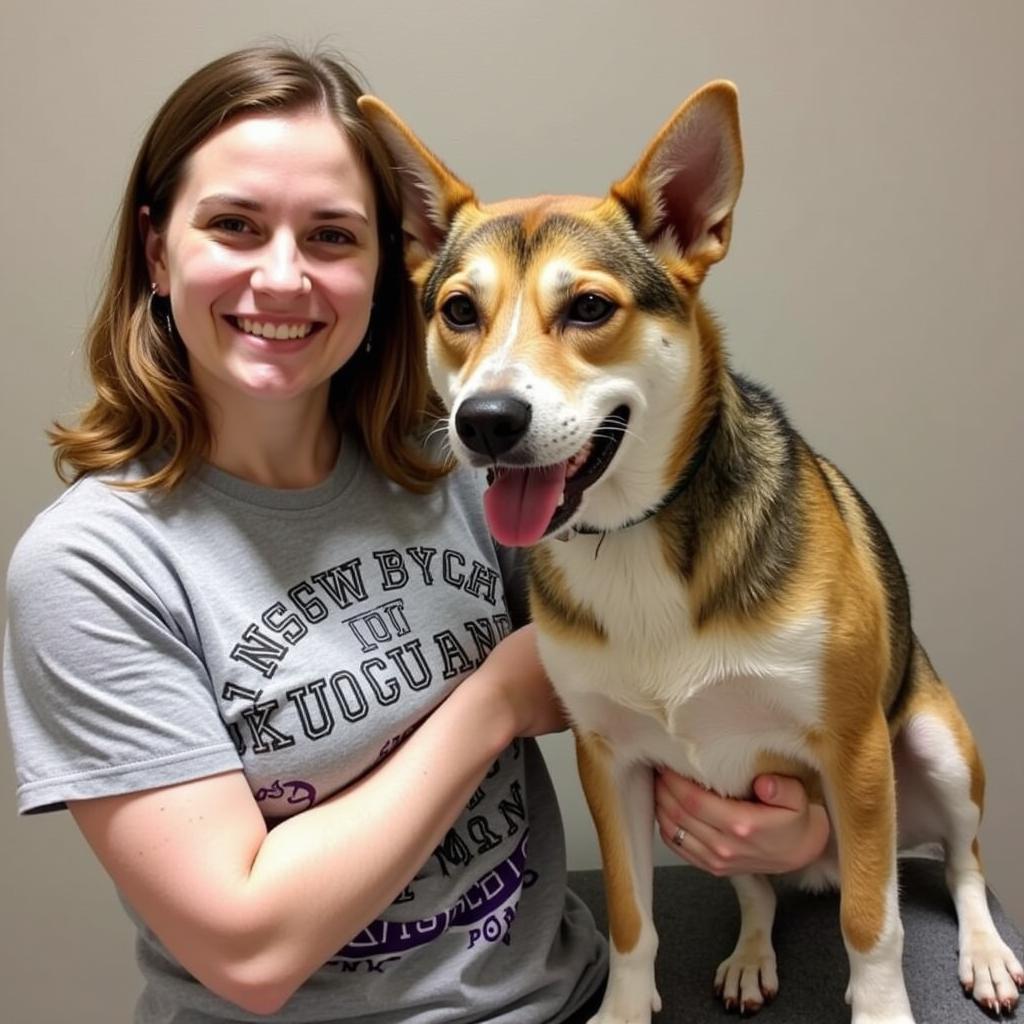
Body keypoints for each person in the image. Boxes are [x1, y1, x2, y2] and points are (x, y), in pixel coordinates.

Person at [2, 45, 829, 1023]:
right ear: (155, 250)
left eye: (331, 236)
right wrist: (502, 696)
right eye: (233, 225)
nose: (281, 278)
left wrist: (796, 835)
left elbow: (680, 700)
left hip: (575, 996)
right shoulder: (95, 565)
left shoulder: (467, 470)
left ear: (387, 265)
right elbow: (248, 946)